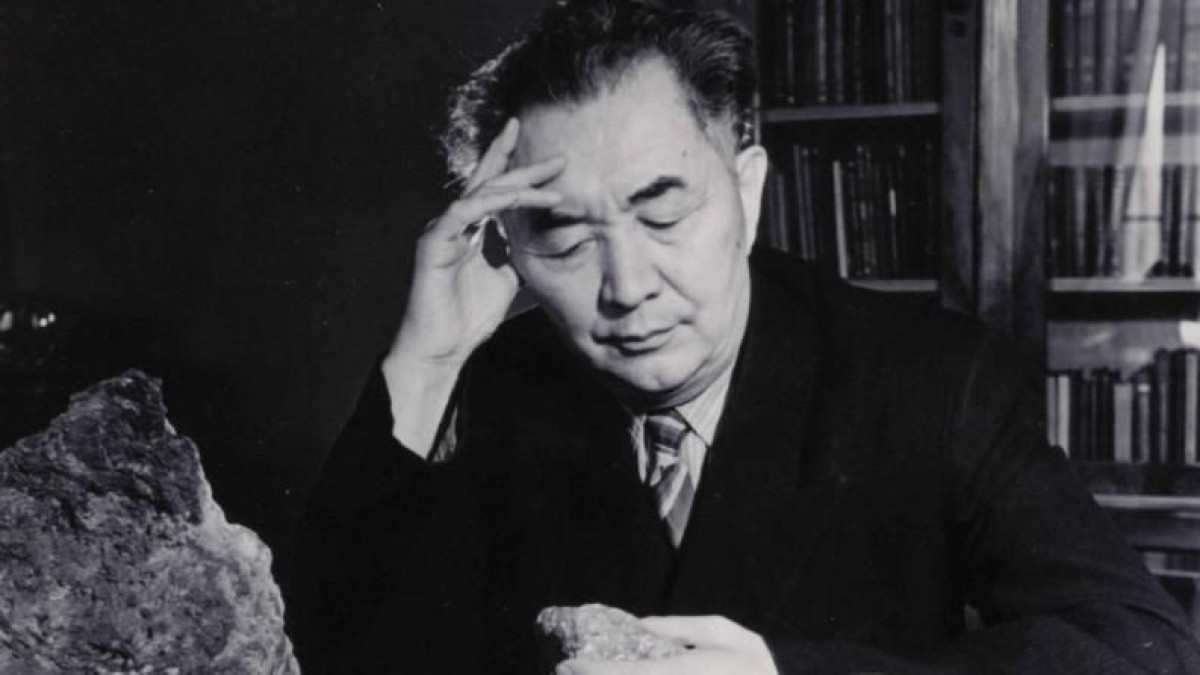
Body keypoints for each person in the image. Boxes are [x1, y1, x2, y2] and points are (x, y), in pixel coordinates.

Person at [291, 1, 1200, 673]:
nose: (628, 286)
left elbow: (1140, 648)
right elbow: (322, 649)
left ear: (749, 191)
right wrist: (428, 359)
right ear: (510, 248)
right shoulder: (501, 383)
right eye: (563, 238)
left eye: (663, 212)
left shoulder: (934, 379)